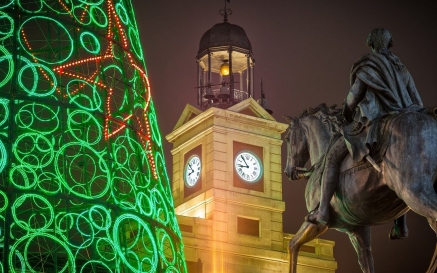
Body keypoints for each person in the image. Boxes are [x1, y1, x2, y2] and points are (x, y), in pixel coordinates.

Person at [306, 28, 423, 235]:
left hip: (374, 122)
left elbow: (354, 95)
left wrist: (347, 112)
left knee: (332, 157)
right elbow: (416, 99)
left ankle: (323, 210)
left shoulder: (369, 64)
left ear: (371, 45)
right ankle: (400, 223)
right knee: (403, 163)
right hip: (404, 116)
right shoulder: (400, 67)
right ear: (389, 44)